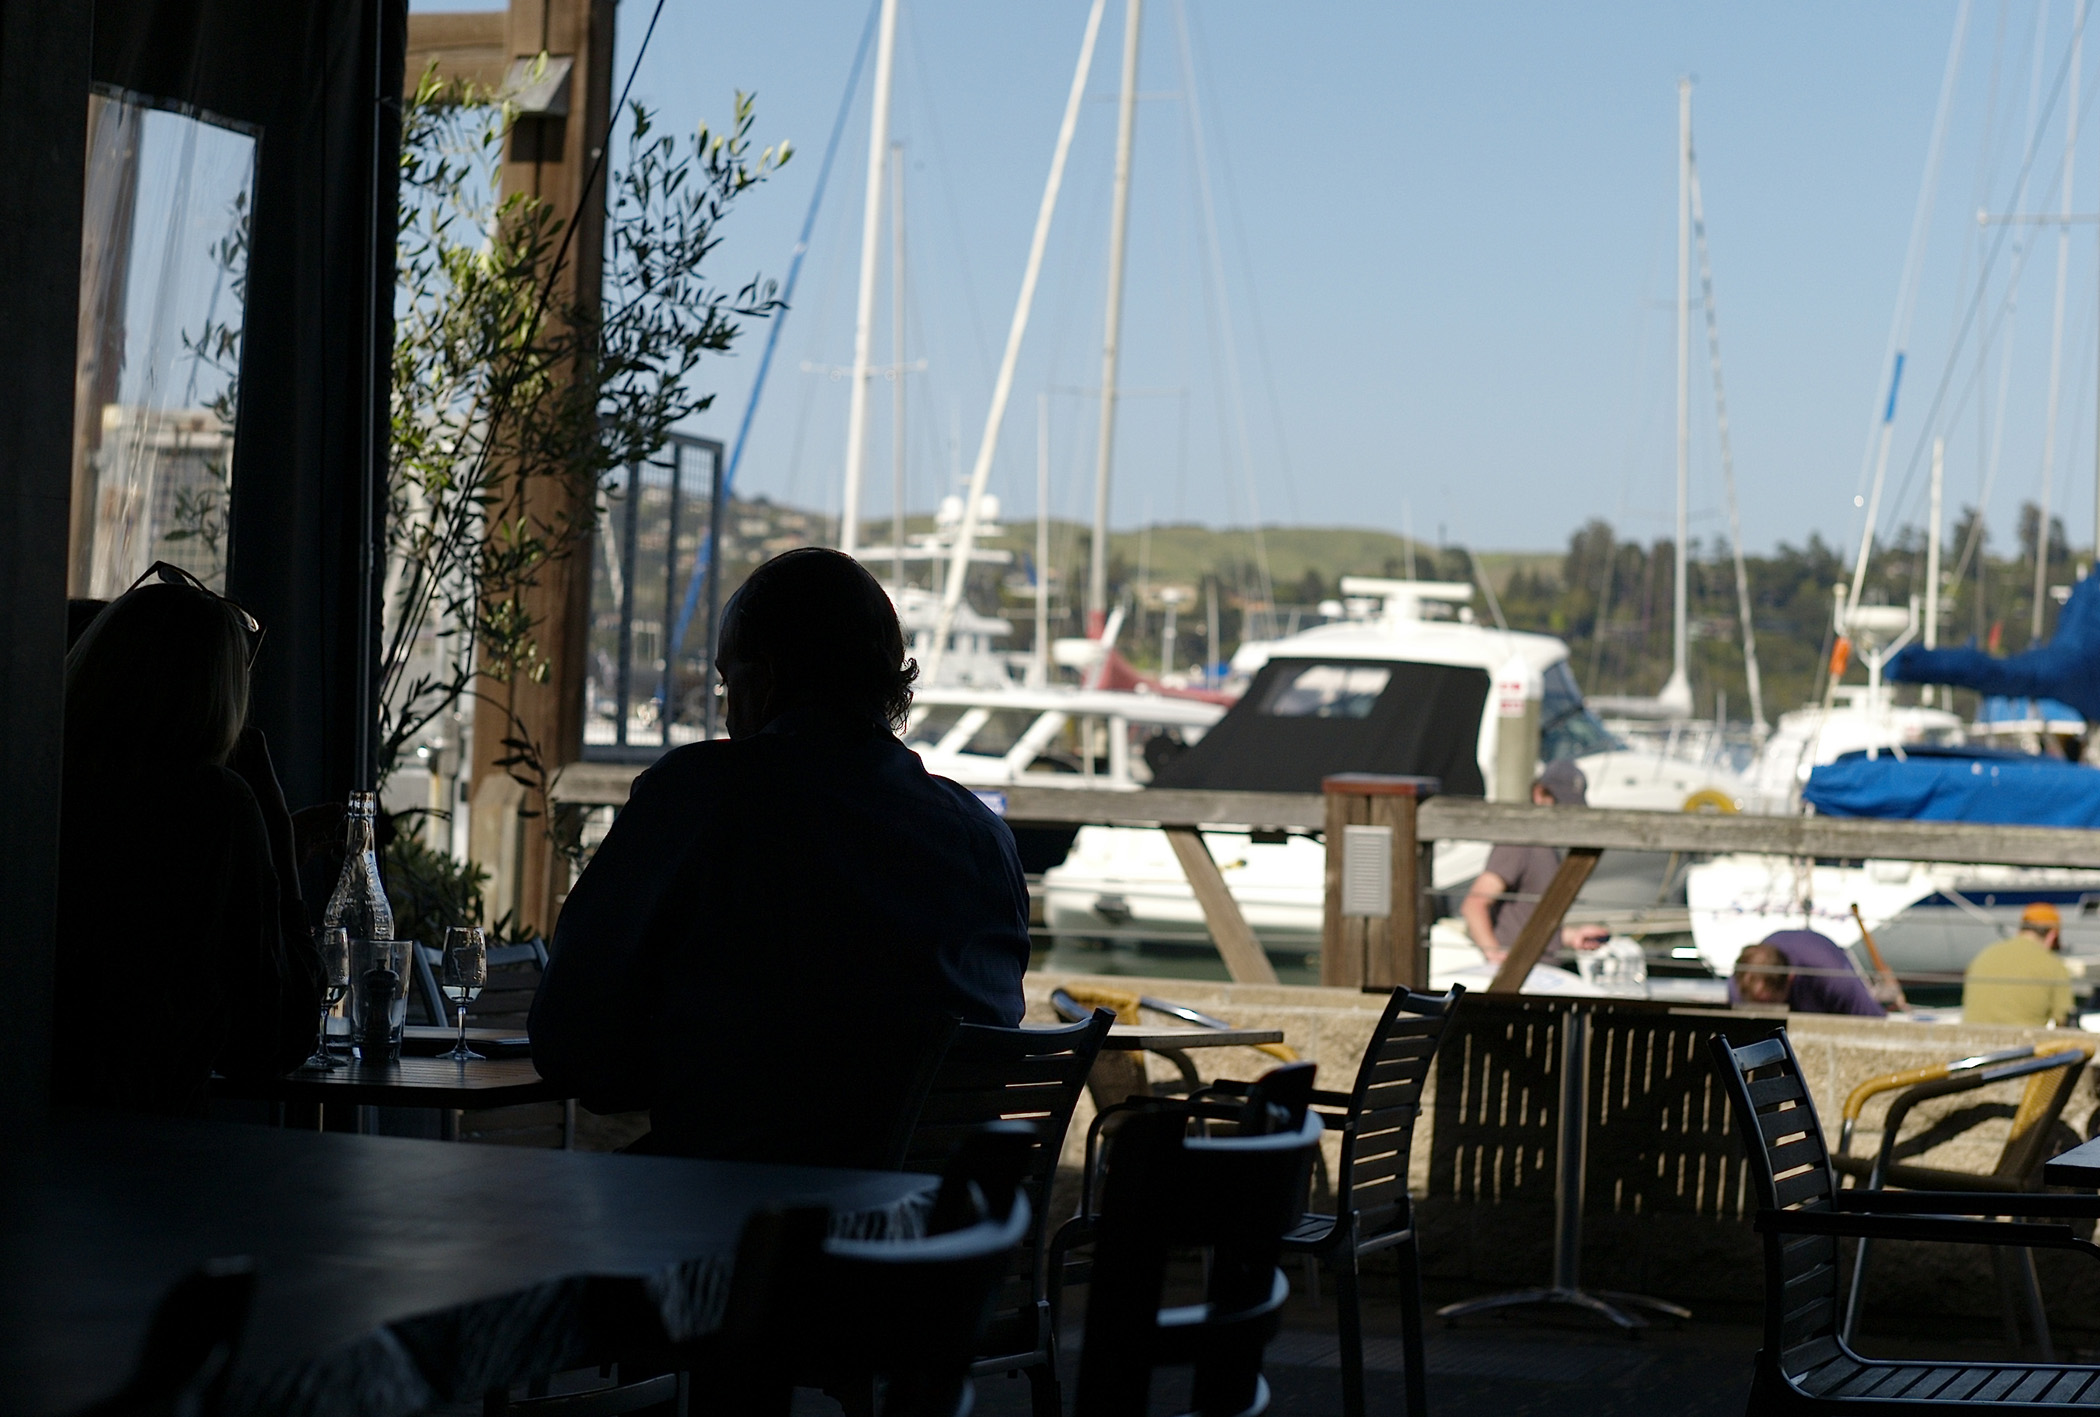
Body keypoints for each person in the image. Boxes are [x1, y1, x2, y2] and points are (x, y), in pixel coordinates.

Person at [530, 548, 1033, 1166]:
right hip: (940, 1235)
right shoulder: (983, 836)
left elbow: (572, 1047)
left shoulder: (704, 795)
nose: (724, 705)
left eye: (726, 681)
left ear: (764, 680)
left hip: (732, 1229)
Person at [57, 570, 322, 1113]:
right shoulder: (214, 807)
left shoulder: (47, 789)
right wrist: (277, 834)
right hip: (149, 1150)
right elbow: (276, 1038)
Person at [1460, 760, 1609, 967]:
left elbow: (1528, 920)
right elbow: (1474, 905)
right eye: (1563, 806)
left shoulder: (1549, 848)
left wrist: (1572, 936)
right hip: (1521, 976)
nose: (1569, 817)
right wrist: (1495, 955)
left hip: (1544, 972)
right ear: (1541, 795)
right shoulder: (1519, 844)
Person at [1963, 903, 2076, 1027]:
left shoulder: (1983, 955)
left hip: (1970, 1041)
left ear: (2021, 929)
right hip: (2022, 1044)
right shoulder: (2054, 966)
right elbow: (2064, 1022)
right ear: (2052, 935)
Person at [1730, 930, 1886, 1017]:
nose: (1762, 1014)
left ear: (1790, 979)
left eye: (1768, 1006)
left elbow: (1874, 1023)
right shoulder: (1740, 988)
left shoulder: (1834, 979)